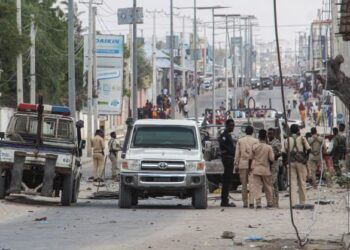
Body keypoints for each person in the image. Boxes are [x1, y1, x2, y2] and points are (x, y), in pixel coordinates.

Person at [285, 124, 311, 207]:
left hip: (291, 162)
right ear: (297, 130)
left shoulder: (287, 139)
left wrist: (286, 161)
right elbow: (309, 149)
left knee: (292, 183)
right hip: (301, 162)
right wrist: (306, 158)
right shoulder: (302, 138)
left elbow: (284, 151)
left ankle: (293, 203)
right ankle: (302, 202)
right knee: (302, 182)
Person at [248, 129, 275, 209]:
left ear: (258, 137)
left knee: (257, 187)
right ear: (266, 137)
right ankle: (269, 202)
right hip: (266, 169)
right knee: (268, 187)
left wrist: (250, 168)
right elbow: (272, 159)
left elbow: (250, 158)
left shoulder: (254, 146)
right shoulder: (268, 147)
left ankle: (258, 203)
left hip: (256, 169)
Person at [234, 126, 258, 208]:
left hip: (242, 164)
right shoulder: (256, 141)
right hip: (252, 165)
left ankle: (245, 202)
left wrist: (236, 164)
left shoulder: (240, 140)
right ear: (252, 132)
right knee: (252, 184)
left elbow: (237, 154)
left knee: (243, 185)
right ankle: (251, 202)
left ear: (245, 132)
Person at [218, 119, 236, 207]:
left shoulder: (228, 135)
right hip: (227, 160)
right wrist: (233, 151)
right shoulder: (224, 136)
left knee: (228, 181)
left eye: (233, 125)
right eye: (231, 125)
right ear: (227, 125)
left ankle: (225, 199)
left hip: (230, 159)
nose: (232, 127)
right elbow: (224, 146)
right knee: (226, 181)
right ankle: (224, 201)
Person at [267, 128, 282, 208]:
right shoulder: (268, 142)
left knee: (272, 183)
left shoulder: (276, 142)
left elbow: (280, 153)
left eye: (271, 134)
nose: (269, 135)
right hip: (269, 165)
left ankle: (274, 202)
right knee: (274, 184)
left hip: (274, 165)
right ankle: (275, 202)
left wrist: (274, 158)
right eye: (268, 134)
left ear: (274, 134)